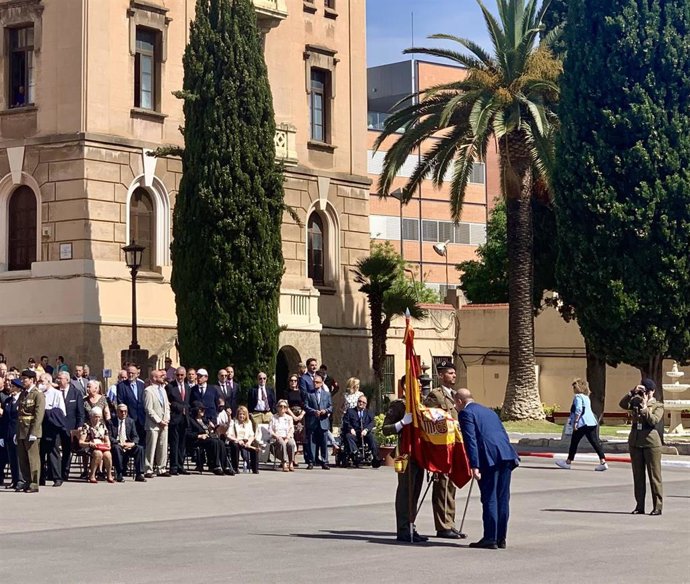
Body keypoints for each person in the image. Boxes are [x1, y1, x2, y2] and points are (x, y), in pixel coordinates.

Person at [455, 388, 520, 549]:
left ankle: (490, 537)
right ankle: (501, 538)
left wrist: (474, 465)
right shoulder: (489, 412)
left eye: (455, 403)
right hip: (506, 455)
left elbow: (471, 440)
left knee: (489, 497)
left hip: (488, 459)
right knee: (503, 498)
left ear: (459, 401)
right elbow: (502, 433)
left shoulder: (465, 413)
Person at [424, 359, 462, 539]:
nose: (453, 375)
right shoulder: (435, 396)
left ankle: (450, 523)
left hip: (453, 446)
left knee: (450, 485)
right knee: (442, 486)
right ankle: (442, 525)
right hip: (441, 447)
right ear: (440, 375)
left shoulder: (455, 396)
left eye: (454, 372)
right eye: (449, 372)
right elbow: (431, 420)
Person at [382, 396, 425, 542]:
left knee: (415, 493)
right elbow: (386, 429)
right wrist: (402, 423)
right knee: (405, 492)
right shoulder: (399, 405)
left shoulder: (422, 403)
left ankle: (411, 526)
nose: (419, 385)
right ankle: (403, 529)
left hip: (419, 454)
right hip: (405, 454)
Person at [619, 379, 664, 516]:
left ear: (653, 391)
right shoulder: (635, 402)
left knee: (654, 476)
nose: (645, 394)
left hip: (651, 443)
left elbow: (654, 420)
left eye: (647, 391)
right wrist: (631, 393)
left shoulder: (658, 405)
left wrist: (645, 408)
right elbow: (622, 404)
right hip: (635, 442)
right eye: (643, 391)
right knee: (638, 476)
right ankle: (640, 505)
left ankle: (658, 506)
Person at [555, 378, 608, 471]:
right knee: (595, 442)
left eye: (574, 387)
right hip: (591, 422)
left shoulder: (578, 397)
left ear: (578, 387)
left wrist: (575, 422)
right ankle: (603, 461)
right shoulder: (586, 397)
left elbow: (579, 409)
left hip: (582, 423)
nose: (573, 389)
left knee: (574, 442)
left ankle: (568, 462)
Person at [15, 370, 45, 493]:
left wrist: (34, 432)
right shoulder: (23, 394)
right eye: (22, 379)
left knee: (33, 459)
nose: (22, 381)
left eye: (25, 379)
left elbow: (38, 415)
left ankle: (34, 483)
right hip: (22, 430)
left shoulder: (37, 394)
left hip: (31, 430)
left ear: (32, 380)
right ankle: (27, 481)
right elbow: (19, 414)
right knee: (23, 459)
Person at [38, 373, 66, 487]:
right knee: (40, 453)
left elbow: (62, 412)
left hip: (52, 427)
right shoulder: (39, 394)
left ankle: (57, 477)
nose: (40, 384)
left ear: (48, 381)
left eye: (42, 381)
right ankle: (40, 478)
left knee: (53, 453)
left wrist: (47, 412)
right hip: (40, 426)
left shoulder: (57, 393)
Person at [56, 371, 85, 481]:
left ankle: (65, 472)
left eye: (60, 378)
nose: (58, 380)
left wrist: (80, 425)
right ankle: (55, 472)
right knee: (55, 450)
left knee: (67, 450)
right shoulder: (55, 391)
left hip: (70, 427)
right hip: (57, 426)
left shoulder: (75, 393)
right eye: (57, 378)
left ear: (67, 380)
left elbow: (80, 412)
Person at [188, 403, 231, 475]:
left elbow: (209, 430)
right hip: (198, 440)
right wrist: (199, 436)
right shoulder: (191, 420)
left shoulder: (204, 420)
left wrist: (212, 428)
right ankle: (215, 466)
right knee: (214, 442)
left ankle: (225, 466)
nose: (203, 411)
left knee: (220, 442)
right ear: (196, 410)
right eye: (201, 410)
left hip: (208, 438)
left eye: (203, 410)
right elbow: (188, 433)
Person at [143, 370, 170, 478]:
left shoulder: (163, 390)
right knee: (152, 447)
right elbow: (148, 409)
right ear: (154, 378)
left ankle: (161, 468)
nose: (163, 377)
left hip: (164, 423)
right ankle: (148, 469)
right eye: (160, 376)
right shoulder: (148, 391)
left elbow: (167, 406)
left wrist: (167, 418)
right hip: (153, 424)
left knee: (163, 446)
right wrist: (159, 420)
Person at [109, 404, 146, 482]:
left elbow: (136, 436)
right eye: (121, 411)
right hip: (117, 444)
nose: (123, 413)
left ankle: (139, 474)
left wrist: (132, 444)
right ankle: (119, 473)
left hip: (128, 445)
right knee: (116, 448)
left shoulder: (130, 421)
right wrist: (119, 443)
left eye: (125, 411)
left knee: (140, 448)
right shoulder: (111, 422)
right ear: (117, 412)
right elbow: (109, 437)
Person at [341, 394, 380, 468]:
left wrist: (366, 429)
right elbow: (346, 421)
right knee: (348, 436)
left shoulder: (369, 413)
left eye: (363, 402)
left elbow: (372, 423)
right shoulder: (350, 411)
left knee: (372, 437)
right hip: (354, 433)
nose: (361, 403)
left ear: (366, 404)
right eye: (359, 401)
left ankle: (376, 457)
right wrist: (350, 429)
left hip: (364, 434)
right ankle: (356, 454)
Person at [303, 372, 332, 469]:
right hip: (312, 421)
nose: (315, 384)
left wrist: (325, 411)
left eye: (317, 382)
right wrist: (314, 411)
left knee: (324, 443)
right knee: (312, 442)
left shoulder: (326, 394)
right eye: (314, 382)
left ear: (321, 383)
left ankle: (324, 461)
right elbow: (306, 406)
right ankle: (311, 461)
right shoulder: (309, 394)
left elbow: (331, 407)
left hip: (323, 421)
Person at [78, 406, 114, 484]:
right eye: (95, 417)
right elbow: (81, 442)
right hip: (89, 446)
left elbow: (107, 439)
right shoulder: (86, 426)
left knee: (108, 454)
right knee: (98, 453)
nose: (97, 419)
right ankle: (92, 475)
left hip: (101, 446)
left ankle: (109, 475)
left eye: (99, 417)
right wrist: (89, 443)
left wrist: (108, 444)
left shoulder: (102, 426)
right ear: (91, 416)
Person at [166, 367, 191, 475]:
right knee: (174, 443)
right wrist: (180, 408)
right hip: (175, 418)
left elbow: (188, 401)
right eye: (178, 375)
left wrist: (187, 409)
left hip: (185, 419)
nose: (180, 377)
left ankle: (181, 465)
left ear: (185, 375)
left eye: (182, 375)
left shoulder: (187, 387)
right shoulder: (170, 387)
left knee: (182, 444)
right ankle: (174, 466)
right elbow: (169, 403)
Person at [0, 375, 23, 490]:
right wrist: (2, 436)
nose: (11, 388)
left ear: (18, 388)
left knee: (18, 458)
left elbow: (21, 419)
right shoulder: (8, 400)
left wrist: (18, 433)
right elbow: (4, 419)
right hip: (8, 433)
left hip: (17, 433)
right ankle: (14, 480)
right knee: (12, 458)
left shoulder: (22, 400)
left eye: (13, 386)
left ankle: (20, 480)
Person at [117, 365, 147, 446]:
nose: (130, 375)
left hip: (141, 419)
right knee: (130, 442)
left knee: (141, 444)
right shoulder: (121, 386)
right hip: (130, 418)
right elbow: (120, 402)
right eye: (129, 373)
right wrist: (127, 416)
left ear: (137, 374)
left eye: (133, 373)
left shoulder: (141, 385)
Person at [226, 406, 258, 474]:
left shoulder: (249, 422)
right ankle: (235, 467)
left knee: (254, 447)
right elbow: (228, 435)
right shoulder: (233, 422)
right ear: (237, 414)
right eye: (240, 414)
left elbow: (252, 435)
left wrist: (249, 442)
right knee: (235, 446)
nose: (242, 416)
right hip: (235, 441)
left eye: (243, 414)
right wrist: (237, 440)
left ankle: (255, 469)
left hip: (246, 441)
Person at [269, 400, 297, 472]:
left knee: (290, 443)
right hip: (277, 438)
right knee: (282, 443)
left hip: (287, 436)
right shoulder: (273, 417)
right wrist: (277, 436)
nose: (282, 408)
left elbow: (291, 429)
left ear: (287, 408)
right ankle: (284, 463)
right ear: (277, 407)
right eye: (280, 406)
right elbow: (270, 430)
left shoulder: (289, 418)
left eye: (284, 406)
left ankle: (291, 462)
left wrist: (287, 438)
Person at [286, 374, 305, 463]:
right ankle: (290, 458)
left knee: (298, 436)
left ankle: (295, 457)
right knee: (291, 436)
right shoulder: (286, 392)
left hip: (300, 416)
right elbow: (286, 406)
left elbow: (305, 405)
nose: (293, 382)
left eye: (295, 381)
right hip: (290, 415)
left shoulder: (301, 392)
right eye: (291, 381)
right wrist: (293, 416)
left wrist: (301, 415)